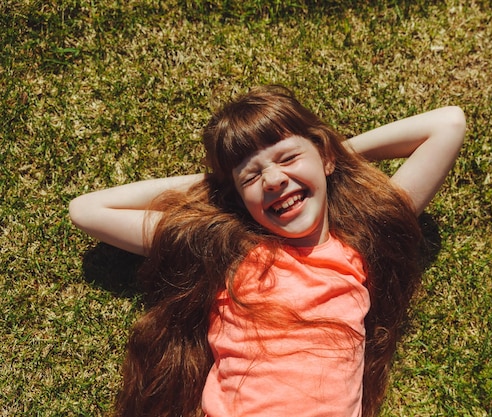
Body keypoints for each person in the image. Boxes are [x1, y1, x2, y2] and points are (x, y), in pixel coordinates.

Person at [69, 85, 465, 417]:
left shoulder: (358, 247)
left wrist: (333, 153)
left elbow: (447, 124)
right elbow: (87, 210)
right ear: (239, 197)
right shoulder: (228, 253)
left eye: (288, 158)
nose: (274, 179)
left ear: (325, 156)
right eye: (252, 176)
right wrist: (218, 186)